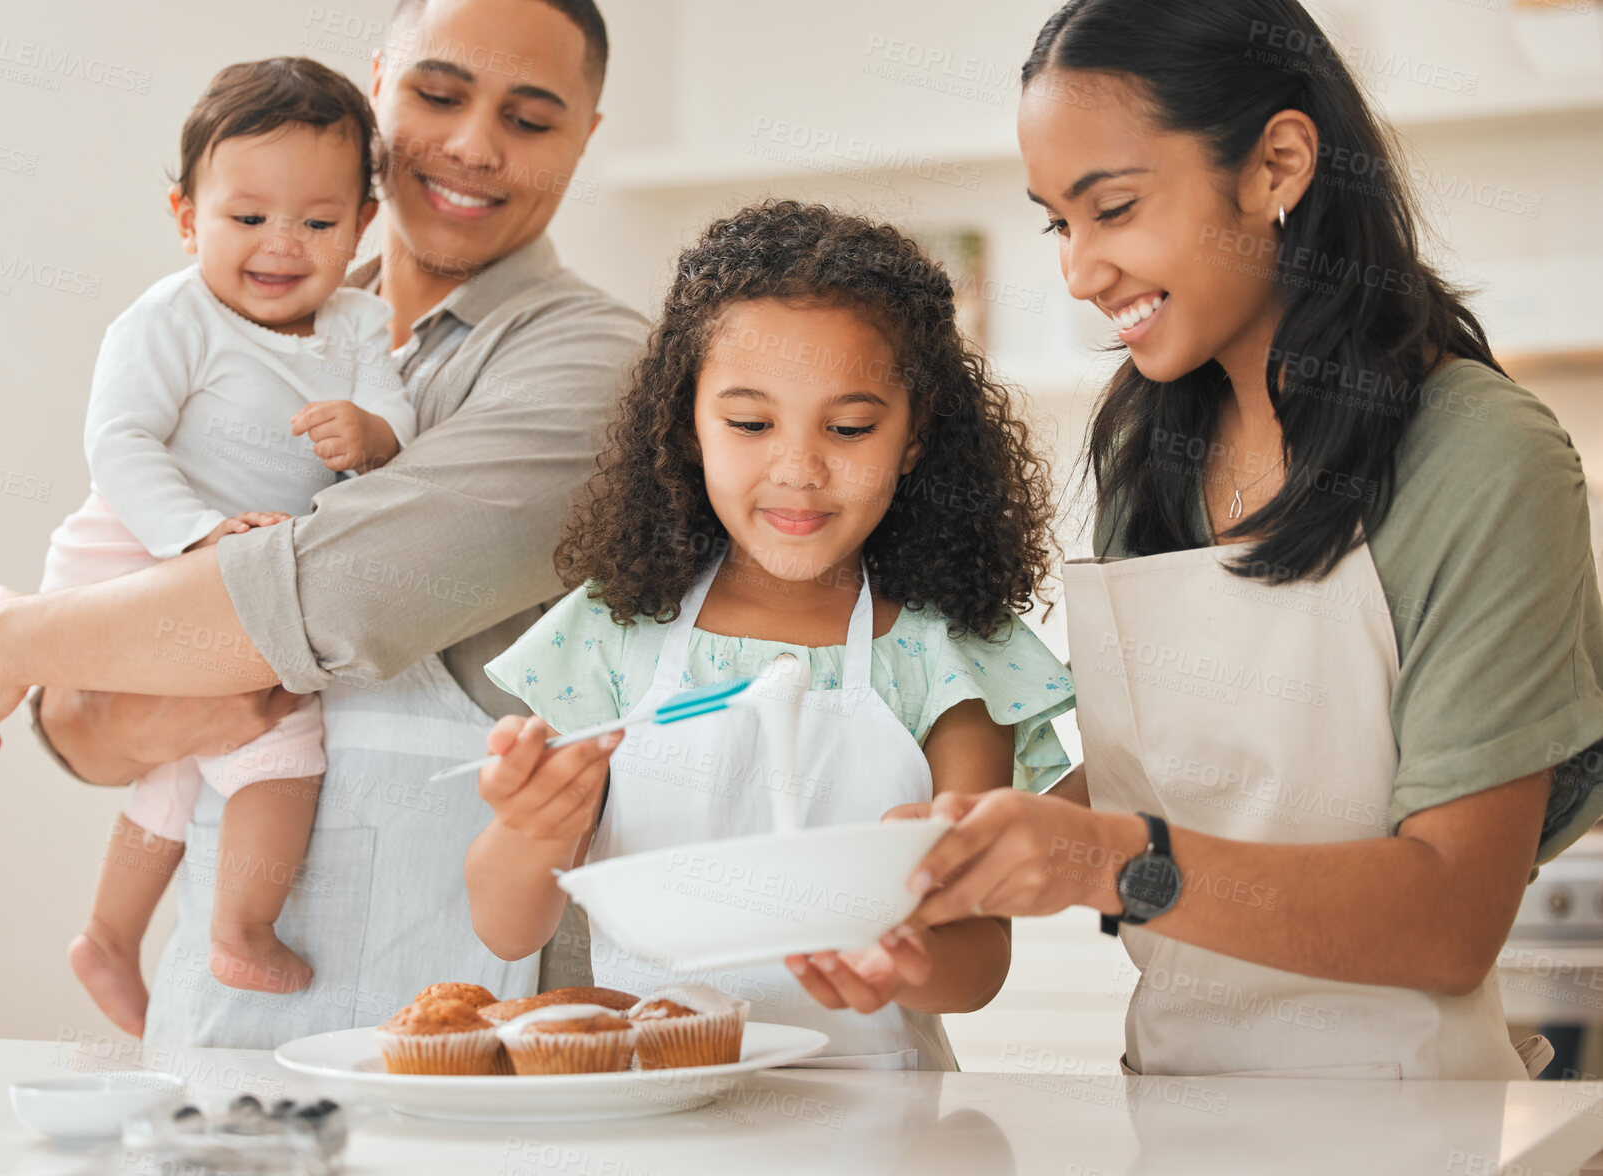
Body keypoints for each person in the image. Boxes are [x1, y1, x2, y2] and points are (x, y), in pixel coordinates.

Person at [893, 0, 1603, 1079]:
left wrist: (1098, 860)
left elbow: (1451, 916)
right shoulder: (1152, 441)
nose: (1080, 272)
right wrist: (957, 858)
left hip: (1407, 1130)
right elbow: (1192, 775)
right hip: (1168, 1113)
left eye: (1114, 208)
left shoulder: (1477, 455)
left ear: (1276, 163)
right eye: (1057, 223)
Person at [0, 0, 649, 1048]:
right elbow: (87, 726)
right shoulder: (250, 317)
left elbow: (339, 595)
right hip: (235, 1007)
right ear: (377, 93)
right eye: (438, 96)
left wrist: (11, 638)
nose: (473, 146)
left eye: (530, 120)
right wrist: (104, 702)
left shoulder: (594, 365)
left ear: (586, 134)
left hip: (492, 1004)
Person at [462, 201, 1079, 1070]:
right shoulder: (612, 633)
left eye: (850, 427)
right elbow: (505, 922)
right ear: (686, 425)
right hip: (657, 1116)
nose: (798, 467)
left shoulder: (948, 655)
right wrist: (528, 826)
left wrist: (903, 953)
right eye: (751, 424)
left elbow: (976, 965)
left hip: (880, 1132)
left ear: (915, 437)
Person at [37, 57, 416, 1036]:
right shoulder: (171, 317)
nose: (281, 245)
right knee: (282, 742)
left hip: (238, 570)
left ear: (362, 226)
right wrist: (199, 533)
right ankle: (241, 929)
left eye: (318, 223)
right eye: (247, 218)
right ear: (184, 215)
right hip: (135, 551)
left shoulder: (365, 323)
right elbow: (117, 441)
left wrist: (371, 437)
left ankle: (109, 938)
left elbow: (393, 417)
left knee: (183, 759)